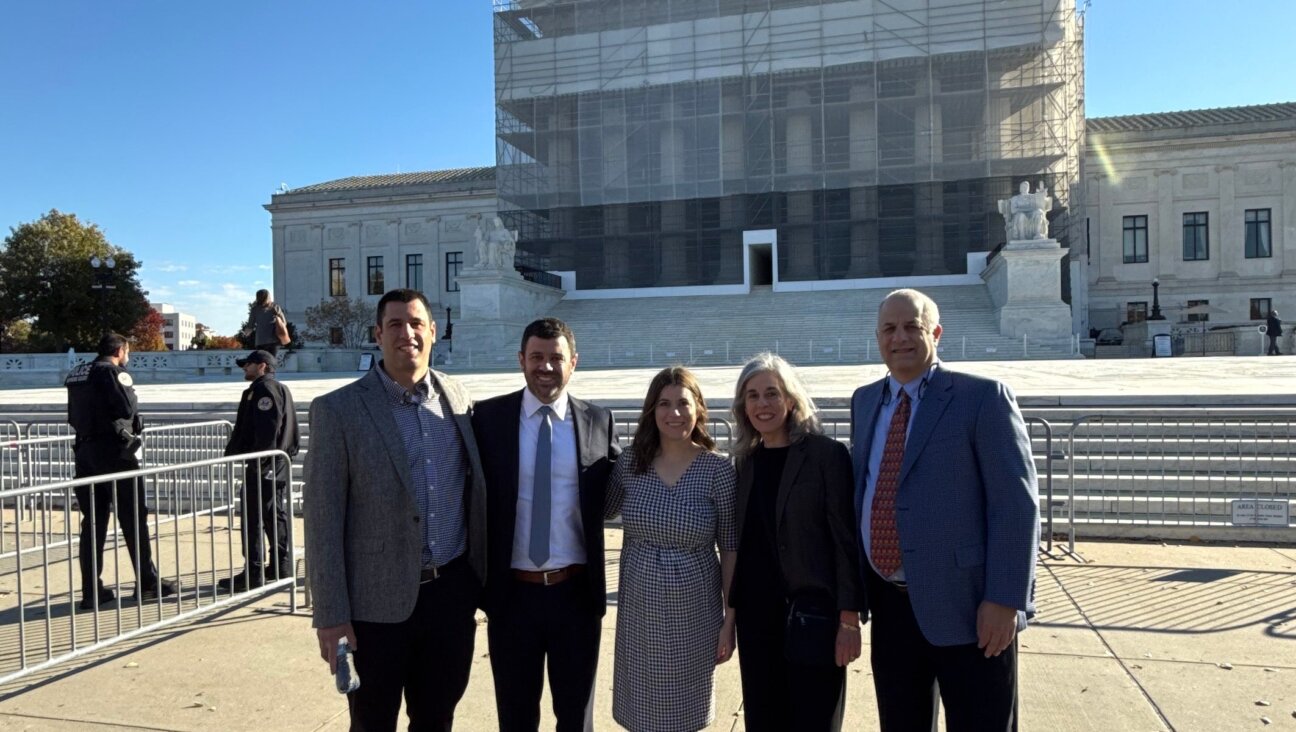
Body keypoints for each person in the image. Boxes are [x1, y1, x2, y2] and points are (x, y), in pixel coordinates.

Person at [851, 288, 1039, 731]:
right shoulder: (865, 401)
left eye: (912, 326)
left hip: (970, 609)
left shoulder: (982, 398)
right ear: (878, 338)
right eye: (889, 329)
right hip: (892, 608)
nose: (900, 338)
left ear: (935, 332)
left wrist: (1005, 599)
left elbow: (1015, 504)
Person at [304, 289, 488, 731]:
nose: (407, 333)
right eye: (395, 325)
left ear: (433, 332)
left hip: (448, 601)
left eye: (416, 323)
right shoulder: (339, 410)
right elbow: (323, 522)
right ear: (378, 334)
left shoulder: (458, 399)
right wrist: (330, 617)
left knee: (437, 719)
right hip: (374, 610)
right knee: (372, 723)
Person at [471, 317, 619, 732]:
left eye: (556, 358)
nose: (546, 367)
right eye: (536, 357)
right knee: (516, 718)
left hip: (575, 595)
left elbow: (629, 477)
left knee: (575, 718)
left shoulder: (597, 421)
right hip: (511, 596)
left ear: (574, 362)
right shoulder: (487, 419)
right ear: (521, 360)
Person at [728, 353, 863, 731]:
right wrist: (731, 615)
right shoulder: (746, 463)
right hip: (758, 622)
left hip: (814, 618)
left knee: (815, 722)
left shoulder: (826, 455)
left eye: (772, 393)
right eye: (752, 396)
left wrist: (849, 619)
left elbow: (844, 541)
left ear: (791, 399)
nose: (762, 404)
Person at [604, 366, 737, 732]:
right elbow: (596, 510)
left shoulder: (718, 470)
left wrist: (729, 620)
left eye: (683, 403)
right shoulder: (631, 463)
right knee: (641, 708)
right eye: (664, 403)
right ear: (652, 410)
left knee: (685, 710)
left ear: (699, 409)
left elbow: (730, 547)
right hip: (639, 608)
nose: (674, 413)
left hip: (694, 608)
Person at [65, 333, 178, 611]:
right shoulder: (114, 373)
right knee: (133, 517)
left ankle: (91, 590)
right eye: (127, 351)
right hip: (114, 452)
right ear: (119, 350)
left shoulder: (79, 372)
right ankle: (148, 582)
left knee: (93, 522)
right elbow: (127, 407)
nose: (128, 356)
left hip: (84, 452)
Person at [219, 350, 300, 591]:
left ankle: (253, 572)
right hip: (277, 462)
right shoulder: (279, 388)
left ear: (263, 366)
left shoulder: (264, 390)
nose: (245, 368)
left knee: (252, 517)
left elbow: (268, 429)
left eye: (249, 365)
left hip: (264, 463)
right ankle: (280, 564)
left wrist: (258, 460)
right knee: (274, 514)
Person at [244, 289, 288, 356]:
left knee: (262, 362)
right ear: (268, 297)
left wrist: (245, 334)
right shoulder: (275, 307)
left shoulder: (255, 309)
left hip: (260, 340)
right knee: (271, 361)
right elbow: (284, 322)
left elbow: (250, 326)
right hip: (274, 340)